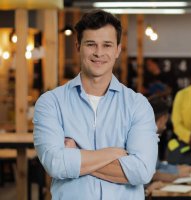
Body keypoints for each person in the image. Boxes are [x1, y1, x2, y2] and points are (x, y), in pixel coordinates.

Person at [33, 10, 158, 199]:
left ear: (117, 50)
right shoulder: (51, 103)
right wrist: (112, 153)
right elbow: (55, 164)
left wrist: (76, 155)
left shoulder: (137, 105)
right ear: (78, 46)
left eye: (107, 45)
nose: (99, 53)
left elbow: (142, 171)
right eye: (91, 44)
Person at [145, 97, 191, 195]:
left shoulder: (150, 137)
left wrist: (177, 168)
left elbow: (157, 166)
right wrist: (176, 175)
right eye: (165, 121)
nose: (165, 127)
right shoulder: (145, 140)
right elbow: (152, 173)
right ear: (162, 119)